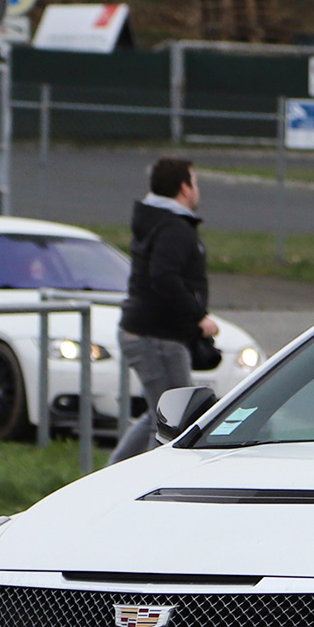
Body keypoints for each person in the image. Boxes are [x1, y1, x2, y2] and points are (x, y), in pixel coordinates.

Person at [111, 156, 222, 462]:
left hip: (147, 333)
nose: (197, 190)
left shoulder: (157, 221)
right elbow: (164, 276)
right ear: (184, 188)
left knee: (157, 413)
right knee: (174, 420)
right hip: (158, 337)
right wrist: (198, 316)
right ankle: (140, 488)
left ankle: (111, 472)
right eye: (195, 183)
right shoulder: (174, 228)